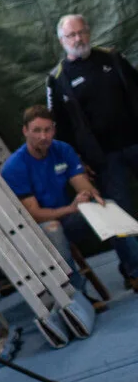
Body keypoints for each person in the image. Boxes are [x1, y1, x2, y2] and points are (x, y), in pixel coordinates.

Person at [0, 106, 138, 297]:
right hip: (39, 228)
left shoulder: (62, 149)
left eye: (47, 130)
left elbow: (83, 184)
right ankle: (75, 295)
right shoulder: (14, 166)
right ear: (25, 131)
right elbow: (34, 214)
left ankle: (134, 271)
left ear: (54, 130)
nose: (43, 136)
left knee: (105, 207)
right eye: (37, 131)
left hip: (68, 217)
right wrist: (71, 208)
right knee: (53, 228)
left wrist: (89, 195)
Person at [46, 15, 138, 291]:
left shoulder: (112, 58)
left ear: (89, 32)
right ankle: (133, 271)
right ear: (62, 42)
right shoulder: (57, 79)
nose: (78, 39)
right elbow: (58, 130)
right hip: (104, 160)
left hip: (135, 142)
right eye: (71, 35)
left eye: (81, 32)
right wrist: (78, 163)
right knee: (118, 214)